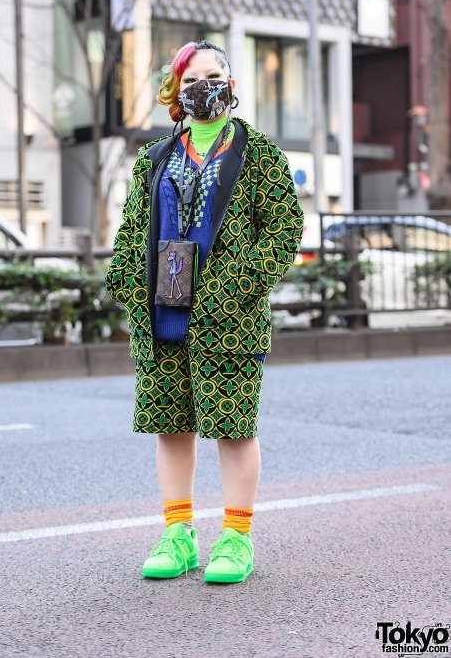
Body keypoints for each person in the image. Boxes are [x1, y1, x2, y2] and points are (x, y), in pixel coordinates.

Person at [106, 40, 304, 584]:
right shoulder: (155, 157)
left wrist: (240, 285)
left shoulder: (260, 154)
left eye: (214, 75)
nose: (204, 86)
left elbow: (285, 229)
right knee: (171, 426)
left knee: (234, 427)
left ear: (232, 84)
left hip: (229, 315)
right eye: (191, 79)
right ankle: (178, 534)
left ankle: (236, 539)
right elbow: (130, 233)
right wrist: (126, 282)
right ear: (177, 90)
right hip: (163, 311)